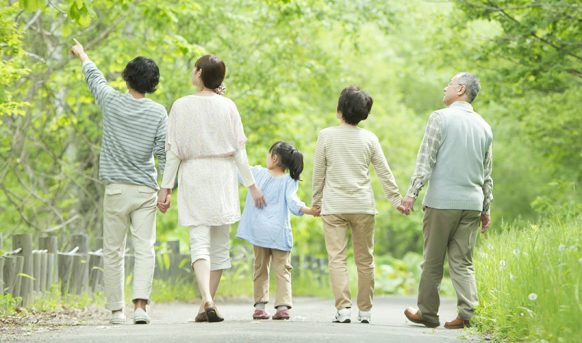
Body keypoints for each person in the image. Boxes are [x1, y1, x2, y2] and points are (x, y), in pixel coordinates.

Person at [158, 55, 265, 323]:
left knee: (199, 242)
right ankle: (207, 302)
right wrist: (251, 185)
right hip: (222, 177)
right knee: (219, 246)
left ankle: (206, 300)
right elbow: (240, 153)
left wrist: (166, 187)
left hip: (194, 174)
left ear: (199, 74)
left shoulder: (181, 106)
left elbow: (173, 153)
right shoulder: (228, 106)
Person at [71, 40, 167, 325]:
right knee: (145, 248)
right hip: (145, 190)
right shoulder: (158, 112)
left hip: (116, 190)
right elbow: (163, 153)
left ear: (127, 77)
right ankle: (140, 306)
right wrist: (166, 188)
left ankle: (116, 311)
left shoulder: (111, 101)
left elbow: (95, 79)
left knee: (113, 250)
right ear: (152, 84)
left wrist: (82, 54)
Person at [401, 72, 493, 329]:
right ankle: (468, 313)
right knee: (463, 262)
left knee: (432, 260)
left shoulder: (439, 118)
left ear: (461, 88)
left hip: (442, 202)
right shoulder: (484, 126)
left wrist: (411, 193)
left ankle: (427, 313)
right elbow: (487, 174)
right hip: (472, 203)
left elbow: (425, 160)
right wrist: (486, 208)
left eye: (450, 84)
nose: (445, 87)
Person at [312, 86, 405, 324]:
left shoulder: (326, 135)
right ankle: (365, 311)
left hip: (334, 207)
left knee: (337, 259)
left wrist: (316, 202)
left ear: (339, 110)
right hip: (363, 206)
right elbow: (384, 172)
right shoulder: (370, 138)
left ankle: (343, 309)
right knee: (365, 260)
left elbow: (319, 173)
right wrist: (396, 200)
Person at [236, 141, 320, 321]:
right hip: (278, 232)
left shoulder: (257, 173)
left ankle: (259, 307)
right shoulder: (289, 181)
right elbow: (293, 203)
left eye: (268, 154)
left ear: (274, 157)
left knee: (260, 268)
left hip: (259, 232)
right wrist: (309, 210)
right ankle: (282, 307)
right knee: (283, 270)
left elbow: (238, 170)